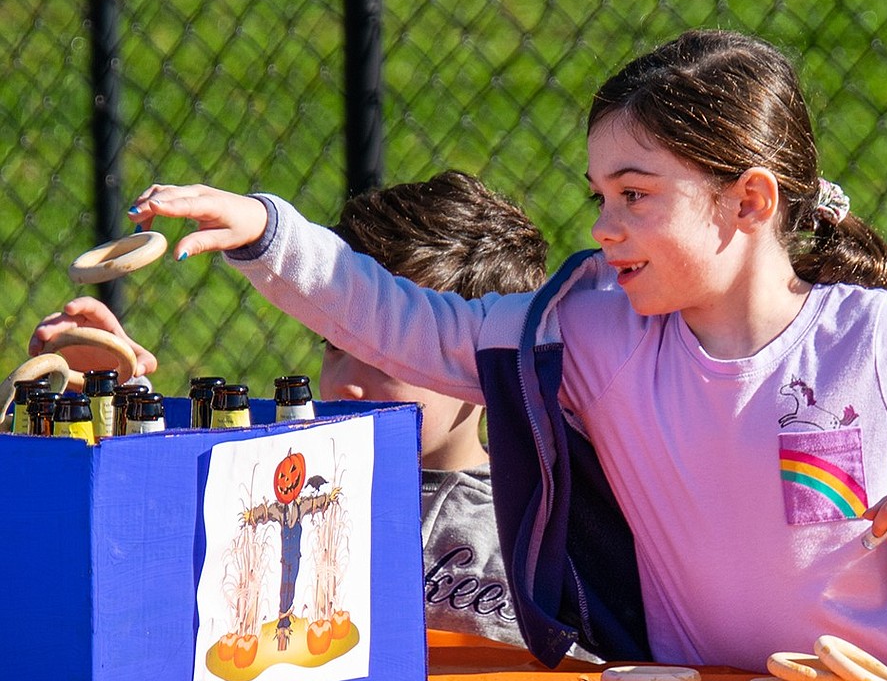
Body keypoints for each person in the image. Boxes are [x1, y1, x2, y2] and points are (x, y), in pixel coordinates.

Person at [123, 30, 887, 681]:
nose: (604, 227)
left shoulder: (870, 338)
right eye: (599, 194)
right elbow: (417, 325)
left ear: (747, 201)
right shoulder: (595, 333)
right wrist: (270, 236)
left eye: (634, 194)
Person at [30, 171, 549, 650]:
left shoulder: (538, 520)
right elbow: (175, 530)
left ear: (474, 360)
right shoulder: (295, 477)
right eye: (334, 345)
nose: (347, 383)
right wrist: (121, 397)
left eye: (385, 357)